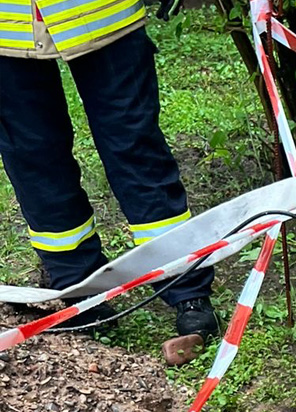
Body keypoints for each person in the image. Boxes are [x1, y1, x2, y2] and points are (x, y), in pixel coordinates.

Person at [0, 0, 219, 338]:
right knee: (33, 157)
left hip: (101, 14)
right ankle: (77, 288)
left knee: (133, 144)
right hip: (6, 30)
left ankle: (186, 287)